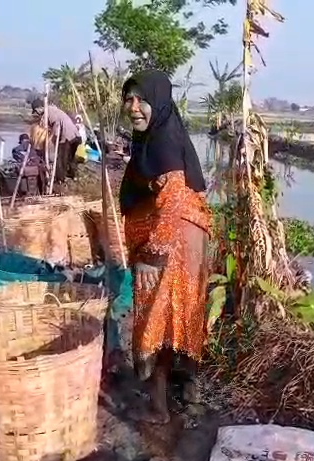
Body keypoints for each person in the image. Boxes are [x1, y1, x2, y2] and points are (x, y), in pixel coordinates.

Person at [119, 70, 212, 424]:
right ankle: (189, 392)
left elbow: (172, 200)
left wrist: (151, 257)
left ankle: (158, 407)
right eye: (128, 99)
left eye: (141, 99)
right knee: (183, 313)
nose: (133, 107)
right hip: (185, 238)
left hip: (170, 243)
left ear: (157, 101)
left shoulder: (161, 142)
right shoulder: (158, 136)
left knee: (155, 316)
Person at [30, 98, 81, 185]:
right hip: (75, 135)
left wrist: (50, 138)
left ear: (39, 108)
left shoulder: (48, 112)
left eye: (36, 111)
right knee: (70, 157)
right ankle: (73, 176)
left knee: (60, 158)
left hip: (67, 136)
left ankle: (60, 179)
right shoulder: (53, 109)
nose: (36, 113)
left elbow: (56, 125)